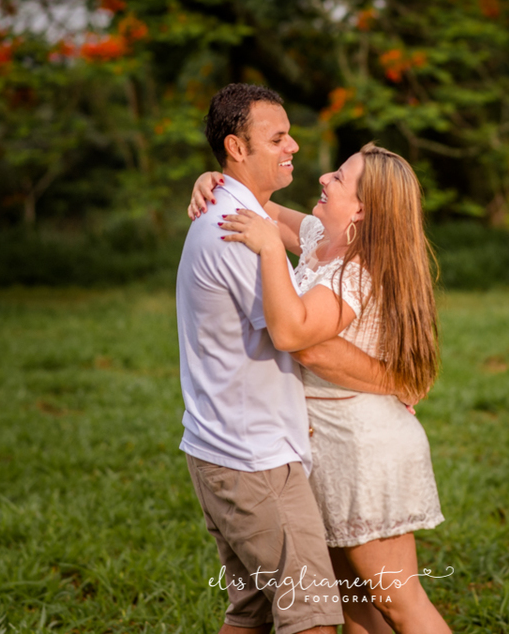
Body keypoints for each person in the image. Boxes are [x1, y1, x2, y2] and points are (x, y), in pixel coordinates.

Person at [191, 143, 451, 634]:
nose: (324, 178)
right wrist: (212, 179)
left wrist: (270, 248)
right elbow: (254, 203)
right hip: (326, 446)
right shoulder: (318, 239)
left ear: (361, 210)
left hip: (362, 450)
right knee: (352, 603)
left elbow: (297, 337)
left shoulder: (356, 271)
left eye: (340, 177)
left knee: (400, 601)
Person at [177, 83, 401, 634]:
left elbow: (294, 228)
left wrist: (219, 182)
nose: (295, 147)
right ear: (236, 146)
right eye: (277, 137)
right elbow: (297, 336)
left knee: (253, 612)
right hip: (252, 458)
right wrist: (398, 382)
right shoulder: (240, 234)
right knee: (315, 619)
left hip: (232, 448)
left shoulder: (249, 218)